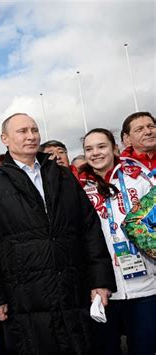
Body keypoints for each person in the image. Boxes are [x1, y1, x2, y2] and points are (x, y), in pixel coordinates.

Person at [0, 113, 116, 354]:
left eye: (34, 130)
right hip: (25, 297)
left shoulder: (62, 175)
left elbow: (89, 229)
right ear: (4, 138)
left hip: (73, 289)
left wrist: (100, 281)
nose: (31, 136)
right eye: (23, 131)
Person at [79, 128, 156, 355]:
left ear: (114, 149)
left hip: (146, 285)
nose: (95, 153)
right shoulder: (78, 187)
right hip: (103, 289)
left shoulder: (138, 178)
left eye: (101, 146)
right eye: (89, 149)